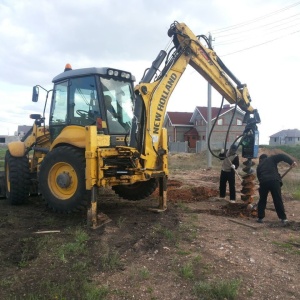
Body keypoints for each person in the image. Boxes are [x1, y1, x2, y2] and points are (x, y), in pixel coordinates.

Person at [256, 153, 297, 224]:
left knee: (262, 200)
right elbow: (282, 156)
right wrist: (291, 162)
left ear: (260, 159)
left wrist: (263, 184)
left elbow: (259, 177)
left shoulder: (259, 166)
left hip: (263, 182)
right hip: (274, 181)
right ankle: (283, 218)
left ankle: (260, 218)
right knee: (277, 199)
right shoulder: (271, 158)